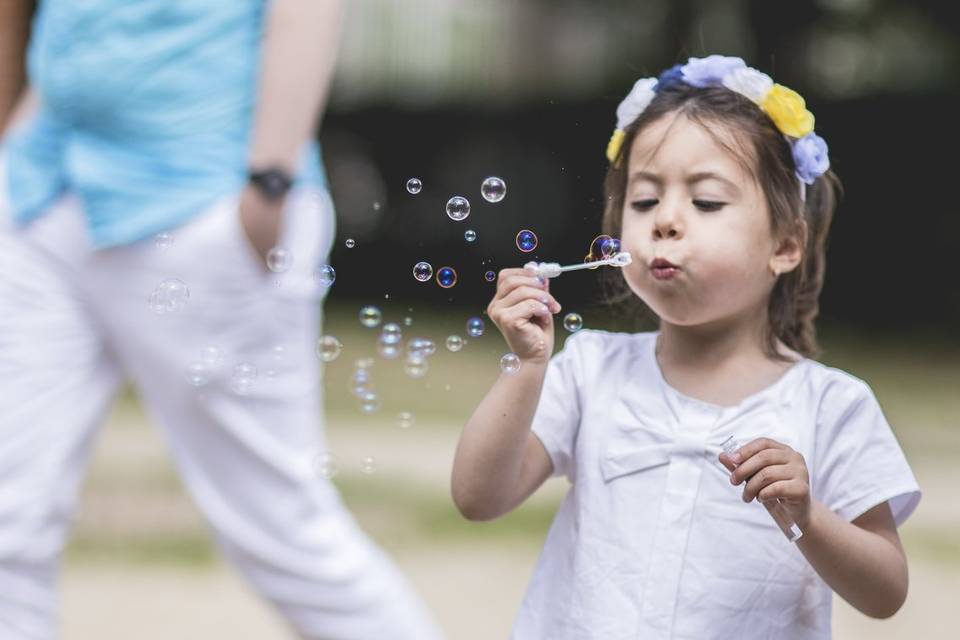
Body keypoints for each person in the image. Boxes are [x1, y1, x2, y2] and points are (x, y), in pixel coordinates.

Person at [0, 1, 442, 638]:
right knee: (9, 515)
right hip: (46, 188)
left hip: (200, 196)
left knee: (281, 534)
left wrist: (268, 185)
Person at [451, 55, 921, 638]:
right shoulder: (590, 371)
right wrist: (527, 364)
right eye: (644, 201)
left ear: (786, 244)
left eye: (706, 203)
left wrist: (807, 517)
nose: (665, 222)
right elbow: (478, 497)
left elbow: (885, 591)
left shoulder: (831, 407)